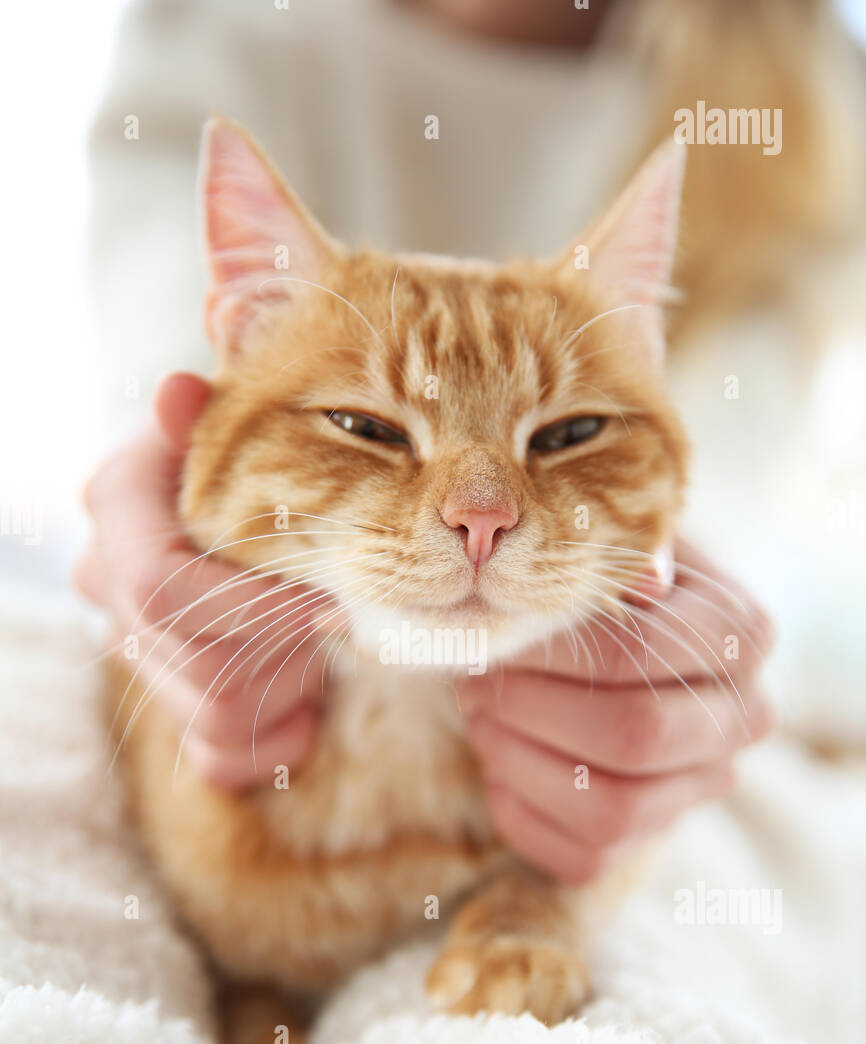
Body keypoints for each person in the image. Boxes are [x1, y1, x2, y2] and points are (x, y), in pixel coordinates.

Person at [76, 0, 865, 885]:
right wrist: (141, 510)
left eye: (564, 433)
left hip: (659, 750)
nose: (481, 515)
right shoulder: (206, 30)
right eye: (372, 428)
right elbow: (170, 401)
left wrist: (693, 644)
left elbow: (716, 506)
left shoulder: (820, 90)